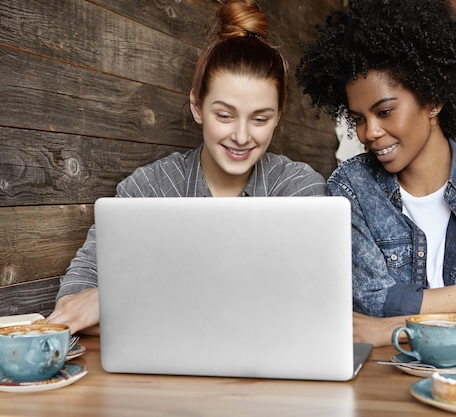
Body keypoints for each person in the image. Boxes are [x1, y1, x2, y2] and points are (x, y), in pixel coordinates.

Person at [47, 0, 327, 335]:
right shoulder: (148, 189)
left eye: (260, 119)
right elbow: (74, 301)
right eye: (224, 115)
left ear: (278, 115)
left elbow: (308, 309)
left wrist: (123, 298)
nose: (241, 136)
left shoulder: (300, 190)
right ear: (197, 106)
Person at [296, 0, 456, 346]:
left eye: (385, 111)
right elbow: (371, 302)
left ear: (432, 100)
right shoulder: (351, 186)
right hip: (384, 382)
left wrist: (395, 329)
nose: (369, 132)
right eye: (359, 118)